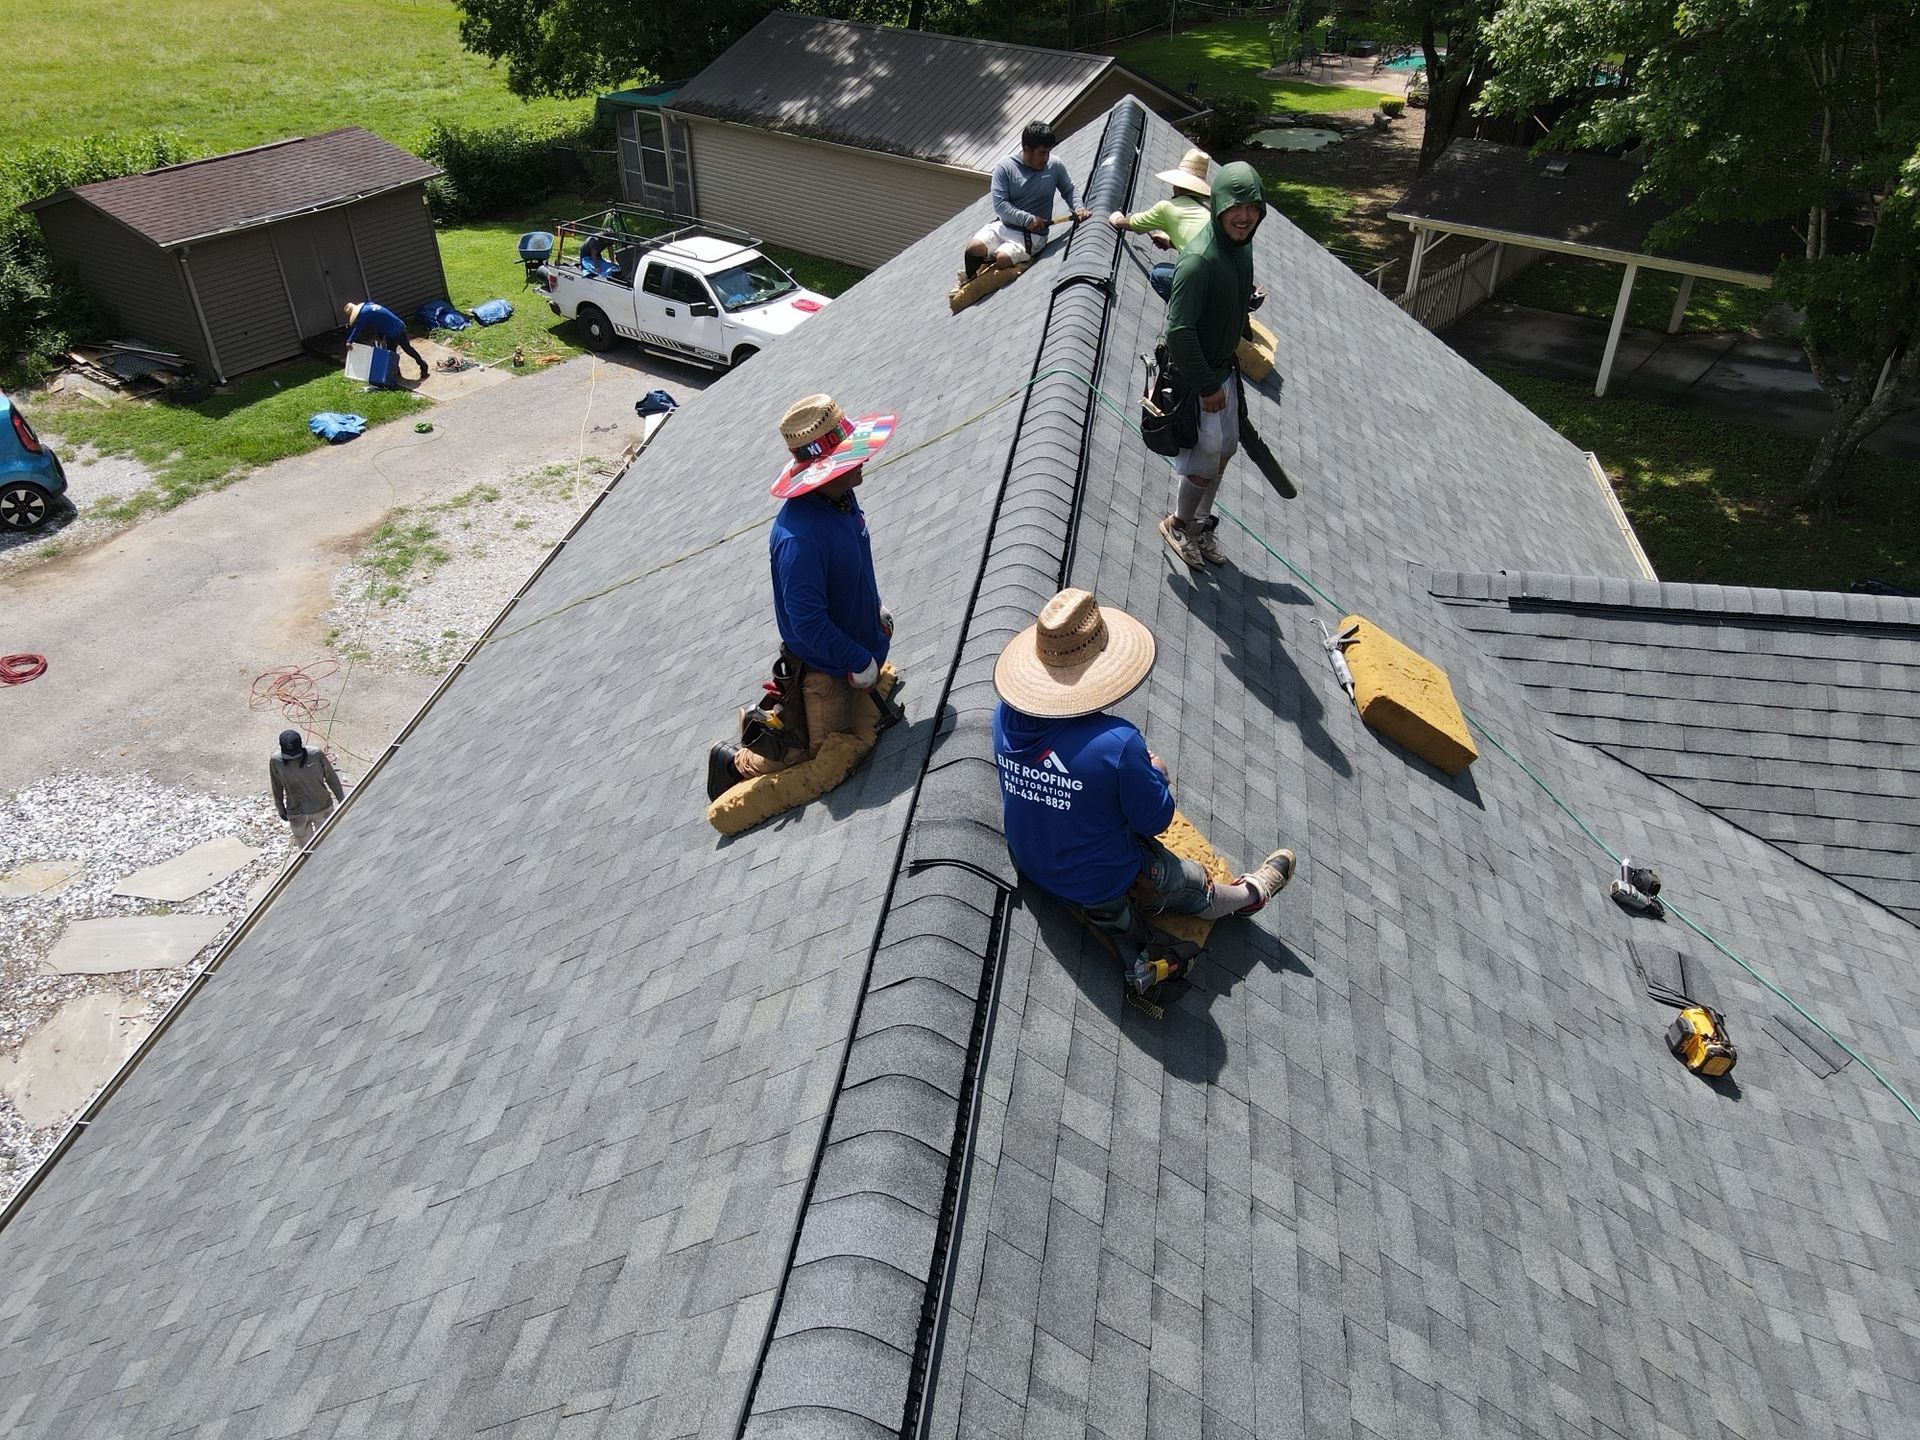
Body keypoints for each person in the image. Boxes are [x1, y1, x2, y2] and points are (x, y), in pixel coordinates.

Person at [992, 588, 1294, 994]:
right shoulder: (1115, 745)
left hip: (1032, 857)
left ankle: (1129, 934)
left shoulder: (1006, 712)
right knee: (1189, 882)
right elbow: (1156, 819)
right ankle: (1247, 895)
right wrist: (1156, 772)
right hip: (1097, 881)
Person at [708, 394, 897, 798]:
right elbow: (807, 622)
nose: (862, 460)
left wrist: (873, 609)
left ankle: (775, 720)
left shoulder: (841, 499)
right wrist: (854, 658)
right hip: (825, 671)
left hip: (854, 649)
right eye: (850, 458)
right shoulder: (799, 538)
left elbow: (856, 568)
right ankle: (737, 759)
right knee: (809, 754)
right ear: (824, 472)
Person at [1157, 162, 1267, 569]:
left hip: (1223, 369)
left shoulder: (1241, 247)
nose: (1244, 216)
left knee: (1225, 452)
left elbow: (1236, 298)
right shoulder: (1199, 260)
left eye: (1253, 207)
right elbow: (1179, 332)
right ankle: (1179, 524)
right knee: (1204, 465)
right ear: (1219, 205)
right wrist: (1207, 386)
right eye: (1236, 207)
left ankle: (1200, 526)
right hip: (1198, 377)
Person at [963, 121, 1092, 281]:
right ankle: (971, 277)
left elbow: (1069, 190)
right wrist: (1028, 219)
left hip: (1033, 236)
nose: (1046, 158)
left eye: (1048, 153)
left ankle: (996, 258)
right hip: (1004, 226)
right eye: (1042, 153)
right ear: (1026, 149)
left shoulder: (1055, 165)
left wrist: (1079, 208)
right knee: (973, 248)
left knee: (1003, 259)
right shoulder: (1005, 168)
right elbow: (1000, 205)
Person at [1108, 148, 1213, 299]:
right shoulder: (1209, 207)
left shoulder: (1167, 208)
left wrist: (1117, 219)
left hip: (1206, 283)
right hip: (1228, 281)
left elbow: (1134, 223)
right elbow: (1203, 244)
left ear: (1178, 185)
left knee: (1159, 274)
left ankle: (1188, 311)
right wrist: (1171, 242)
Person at [269, 729, 345, 849]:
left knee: (329, 844)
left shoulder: (315, 754)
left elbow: (331, 777)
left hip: (321, 807)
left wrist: (343, 801)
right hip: (298, 812)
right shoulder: (276, 761)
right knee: (308, 851)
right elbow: (276, 785)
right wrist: (280, 807)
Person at [343, 301, 429, 382]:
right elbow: (380, 321)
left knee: (407, 349)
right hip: (391, 328)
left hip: (397, 329)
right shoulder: (368, 306)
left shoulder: (363, 314)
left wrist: (349, 341)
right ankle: (396, 373)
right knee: (391, 353)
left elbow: (358, 328)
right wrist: (380, 335)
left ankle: (423, 365)